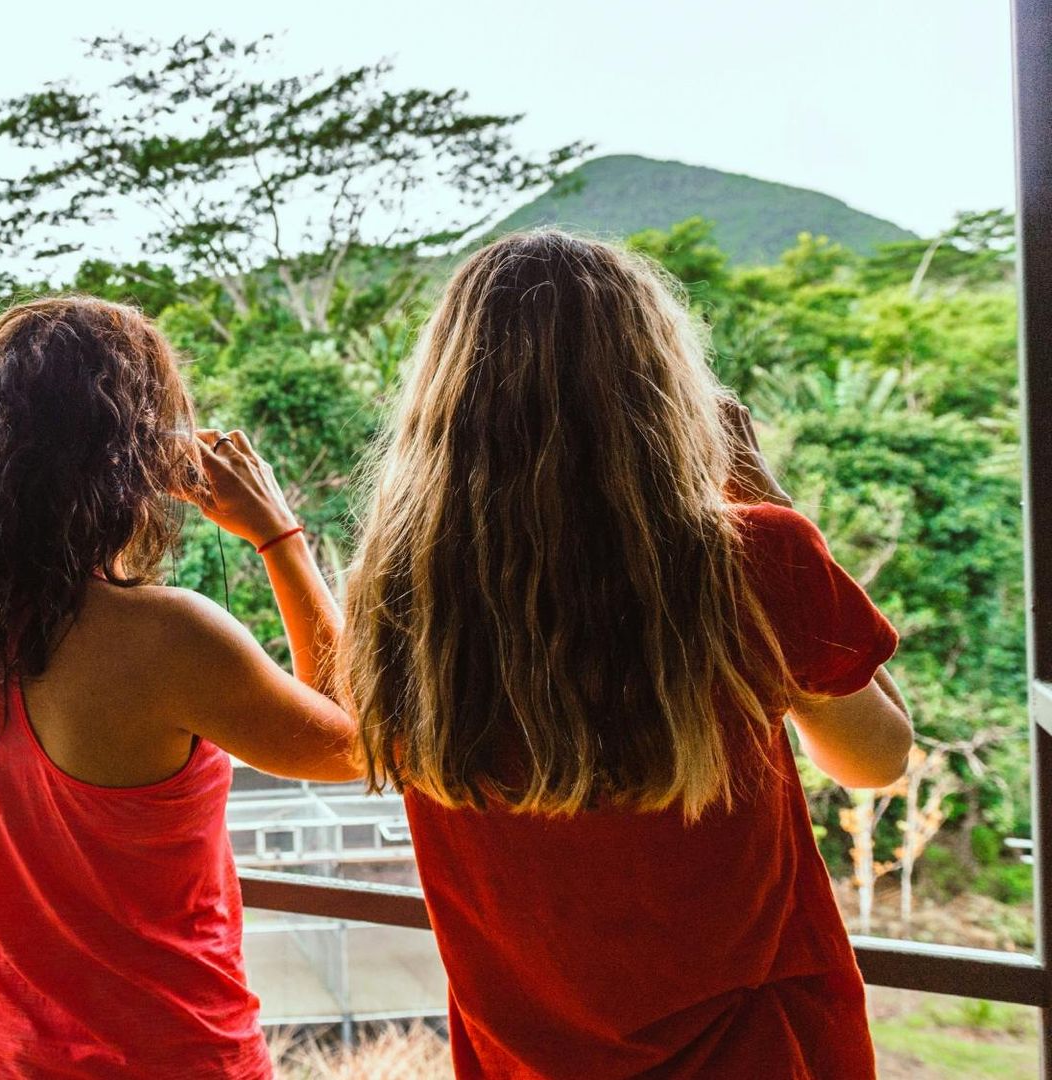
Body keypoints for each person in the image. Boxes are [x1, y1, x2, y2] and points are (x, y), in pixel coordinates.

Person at [340, 230, 914, 1079]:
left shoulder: (397, 596)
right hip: (755, 1052)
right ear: (659, 388)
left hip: (521, 1061)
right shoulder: (750, 559)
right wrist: (769, 497)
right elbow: (878, 756)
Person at [0, 296, 364, 1079]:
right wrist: (278, 536)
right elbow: (352, 746)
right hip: (167, 1054)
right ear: (134, 458)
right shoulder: (168, 638)